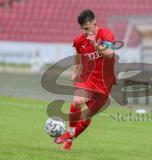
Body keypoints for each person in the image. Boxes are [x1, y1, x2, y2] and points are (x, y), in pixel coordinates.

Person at [55, 9, 116, 150]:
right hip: (87, 78)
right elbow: (77, 51)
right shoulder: (79, 40)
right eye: (83, 29)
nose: (85, 31)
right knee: (77, 101)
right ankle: (69, 133)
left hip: (104, 82)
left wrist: (95, 45)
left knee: (86, 116)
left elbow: (110, 54)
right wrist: (76, 70)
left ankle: (70, 140)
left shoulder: (106, 34)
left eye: (87, 28)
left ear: (95, 23)